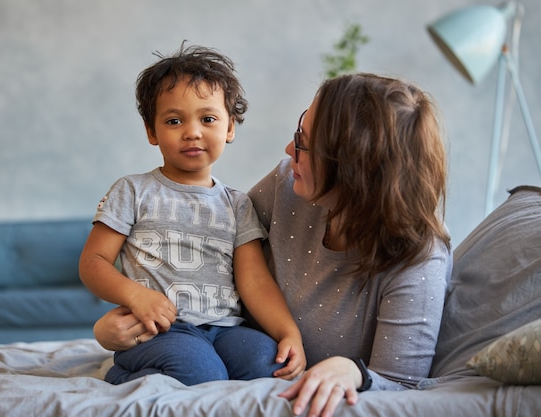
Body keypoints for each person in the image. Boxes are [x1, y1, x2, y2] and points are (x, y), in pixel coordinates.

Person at [92, 73, 452, 417]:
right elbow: (208, 253)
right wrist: (115, 321)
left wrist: (353, 372)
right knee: (197, 370)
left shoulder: (418, 262)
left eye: (304, 144)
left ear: (353, 168)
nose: (287, 149)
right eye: (299, 130)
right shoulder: (285, 185)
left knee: (255, 363)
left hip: (240, 351)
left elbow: (404, 386)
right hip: (188, 341)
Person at [78, 44, 306, 387]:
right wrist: (135, 296)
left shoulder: (238, 204)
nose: (192, 131)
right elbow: (93, 262)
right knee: (200, 373)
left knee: (268, 366)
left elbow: (255, 281)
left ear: (230, 128)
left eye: (208, 118)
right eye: (174, 120)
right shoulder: (133, 190)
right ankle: (120, 374)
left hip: (225, 330)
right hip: (159, 330)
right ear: (151, 132)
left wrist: (289, 333)